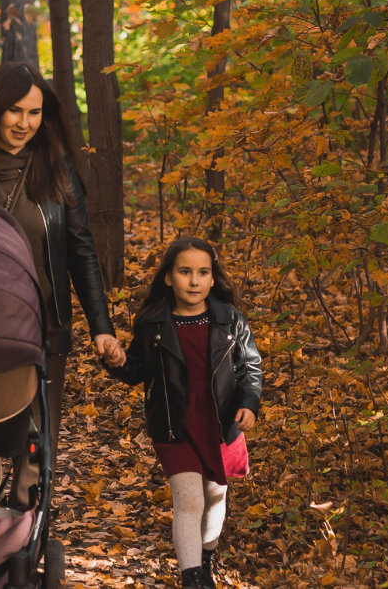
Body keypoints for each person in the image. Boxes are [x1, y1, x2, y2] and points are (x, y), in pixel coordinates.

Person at [0, 61, 125, 509]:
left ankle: (25, 524)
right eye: (15, 111)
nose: (24, 123)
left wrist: (101, 327)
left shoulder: (55, 168)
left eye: (34, 113)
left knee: (34, 445)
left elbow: (80, 251)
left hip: (40, 327)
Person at [107, 237, 262, 589]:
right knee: (189, 498)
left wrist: (248, 403)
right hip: (173, 420)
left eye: (202, 272)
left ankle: (205, 559)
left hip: (221, 418)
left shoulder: (230, 320)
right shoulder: (152, 323)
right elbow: (136, 370)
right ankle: (192, 577)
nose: (194, 281)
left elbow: (250, 367)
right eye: (185, 272)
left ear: (212, 278)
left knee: (215, 494)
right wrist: (117, 362)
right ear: (168, 278)